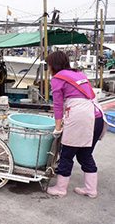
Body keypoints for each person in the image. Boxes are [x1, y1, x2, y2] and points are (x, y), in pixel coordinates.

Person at [45, 51, 108, 198]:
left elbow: (58, 105)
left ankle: (60, 189)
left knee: (66, 154)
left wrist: (58, 127)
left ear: (53, 65)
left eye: (48, 66)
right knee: (85, 155)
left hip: (81, 118)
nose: (48, 69)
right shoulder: (79, 74)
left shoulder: (57, 78)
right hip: (97, 117)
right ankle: (91, 189)